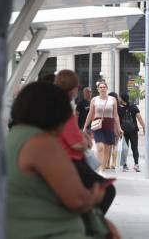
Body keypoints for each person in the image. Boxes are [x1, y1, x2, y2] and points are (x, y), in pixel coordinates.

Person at [6, 81, 121, 239]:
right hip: (53, 232)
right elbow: (78, 200)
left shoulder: (15, 136)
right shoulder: (42, 143)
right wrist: (95, 195)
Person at [54, 69, 115, 213]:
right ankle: (92, 222)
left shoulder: (56, 106)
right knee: (107, 190)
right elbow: (76, 143)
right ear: (74, 88)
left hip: (64, 160)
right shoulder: (64, 109)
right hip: (72, 162)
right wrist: (86, 142)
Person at [83, 82, 123, 170]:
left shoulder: (112, 100)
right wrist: (85, 126)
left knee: (107, 148)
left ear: (107, 88)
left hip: (109, 125)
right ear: (98, 89)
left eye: (104, 87)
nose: (102, 89)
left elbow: (115, 115)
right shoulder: (94, 100)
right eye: (100, 87)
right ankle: (99, 166)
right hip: (97, 125)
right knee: (100, 147)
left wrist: (119, 128)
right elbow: (90, 113)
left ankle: (103, 166)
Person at [118, 93, 145, 172]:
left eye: (120, 97)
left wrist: (118, 129)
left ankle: (124, 166)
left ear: (122, 99)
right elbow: (139, 118)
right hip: (133, 131)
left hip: (123, 131)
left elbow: (117, 120)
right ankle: (136, 165)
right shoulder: (133, 107)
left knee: (124, 149)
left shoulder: (119, 108)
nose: (119, 99)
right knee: (134, 148)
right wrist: (143, 126)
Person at [108, 92, 120, 169]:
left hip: (109, 127)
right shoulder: (118, 107)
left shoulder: (108, 106)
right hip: (117, 127)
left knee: (109, 146)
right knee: (115, 146)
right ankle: (114, 163)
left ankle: (107, 163)